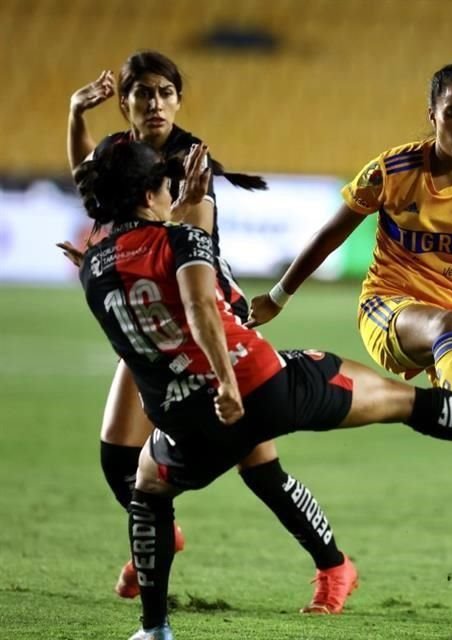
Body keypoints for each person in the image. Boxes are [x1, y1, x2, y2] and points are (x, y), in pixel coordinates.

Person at [74, 140, 452, 640]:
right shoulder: (180, 241)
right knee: (405, 403)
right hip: (265, 387)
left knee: (149, 491)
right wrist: (227, 375)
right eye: (164, 187)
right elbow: (202, 302)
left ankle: (154, 628)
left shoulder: (93, 268)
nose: (170, 194)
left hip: (188, 424)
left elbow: (153, 289)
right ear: (147, 193)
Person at [247, 61, 452, 640]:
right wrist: (278, 297)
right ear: (433, 116)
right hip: (393, 311)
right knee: (450, 330)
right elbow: (332, 233)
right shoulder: (395, 170)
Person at [59, 51, 351, 614]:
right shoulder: (120, 156)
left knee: (259, 466)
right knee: (117, 458)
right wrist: (76, 116)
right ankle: (159, 536)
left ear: (178, 100)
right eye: (144, 93)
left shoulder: (189, 159)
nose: (155, 103)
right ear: (125, 103)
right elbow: (93, 194)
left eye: (166, 92)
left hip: (205, 320)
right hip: (150, 323)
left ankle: (334, 567)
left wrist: (117, 254)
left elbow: (191, 240)